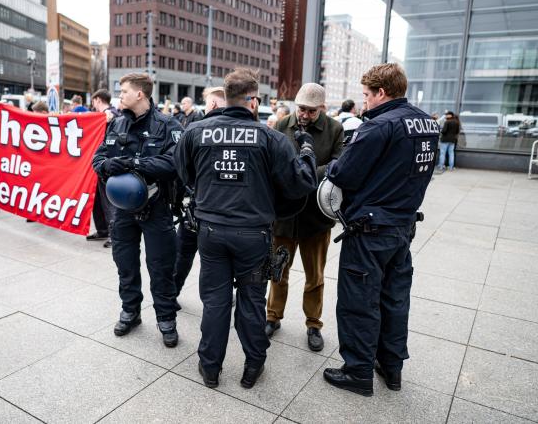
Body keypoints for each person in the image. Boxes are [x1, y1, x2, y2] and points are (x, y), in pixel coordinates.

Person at [174, 68, 318, 389]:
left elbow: (183, 172)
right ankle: (253, 365)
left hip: (211, 231)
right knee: (252, 302)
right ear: (253, 100)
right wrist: (307, 152)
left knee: (215, 301)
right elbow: (301, 184)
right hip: (253, 235)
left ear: (226, 97)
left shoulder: (196, 131)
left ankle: (210, 367)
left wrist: (210, 195)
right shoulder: (271, 138)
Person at [323, 63, 438, 397]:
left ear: (381, 93)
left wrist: (332, 164)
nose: (365, 102)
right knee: (394, 299)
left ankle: (357, 371)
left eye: (366, 95)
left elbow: (343, 174)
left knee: (359, 300)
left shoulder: (378, 126)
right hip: (403, 225)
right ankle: (392, 367)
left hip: (370, 229)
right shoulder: (426, 124)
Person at [92, 73, 183, 347]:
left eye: (124, 91)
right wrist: (108, 166)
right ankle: (130, 311)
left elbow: (174, 164)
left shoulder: (168, 125)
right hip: (122, 211)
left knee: (161, 267)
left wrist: (133, 163)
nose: (120, 95)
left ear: (140, 94)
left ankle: (166, 318)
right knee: (125, 264)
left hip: (157, 209)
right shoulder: (116, 123)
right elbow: (98, 159)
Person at [265, 83, 344, 352]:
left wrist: (301, 174)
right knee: (277, 271)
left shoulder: (334, 129)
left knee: (315, 277)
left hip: (315, 217)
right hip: (284, 216)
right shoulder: (281, 124)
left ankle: (314, 323)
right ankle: (272, 316)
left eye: (311, 111)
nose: (305, 115)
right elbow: (271, 162)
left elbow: (338, 166)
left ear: (321, 109)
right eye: (301, 109)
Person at [173, 86, 227, 297]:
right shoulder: (245, 128)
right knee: (218, 262)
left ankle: (172, 294)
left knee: (183, 254)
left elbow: (180, 167)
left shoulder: (197, 129)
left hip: (199, 203)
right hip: (227, 211)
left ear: (212, 104)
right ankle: (219, 299)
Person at [87, 89, 118, 248]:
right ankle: (102, 229)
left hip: (106, 163)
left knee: (108, 201)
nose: (93, 105)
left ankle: (115, 235)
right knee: (97, 199)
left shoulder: (112, 114)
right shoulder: (101, 116)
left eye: (93, 101)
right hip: (95, 163)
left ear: (98, 99)